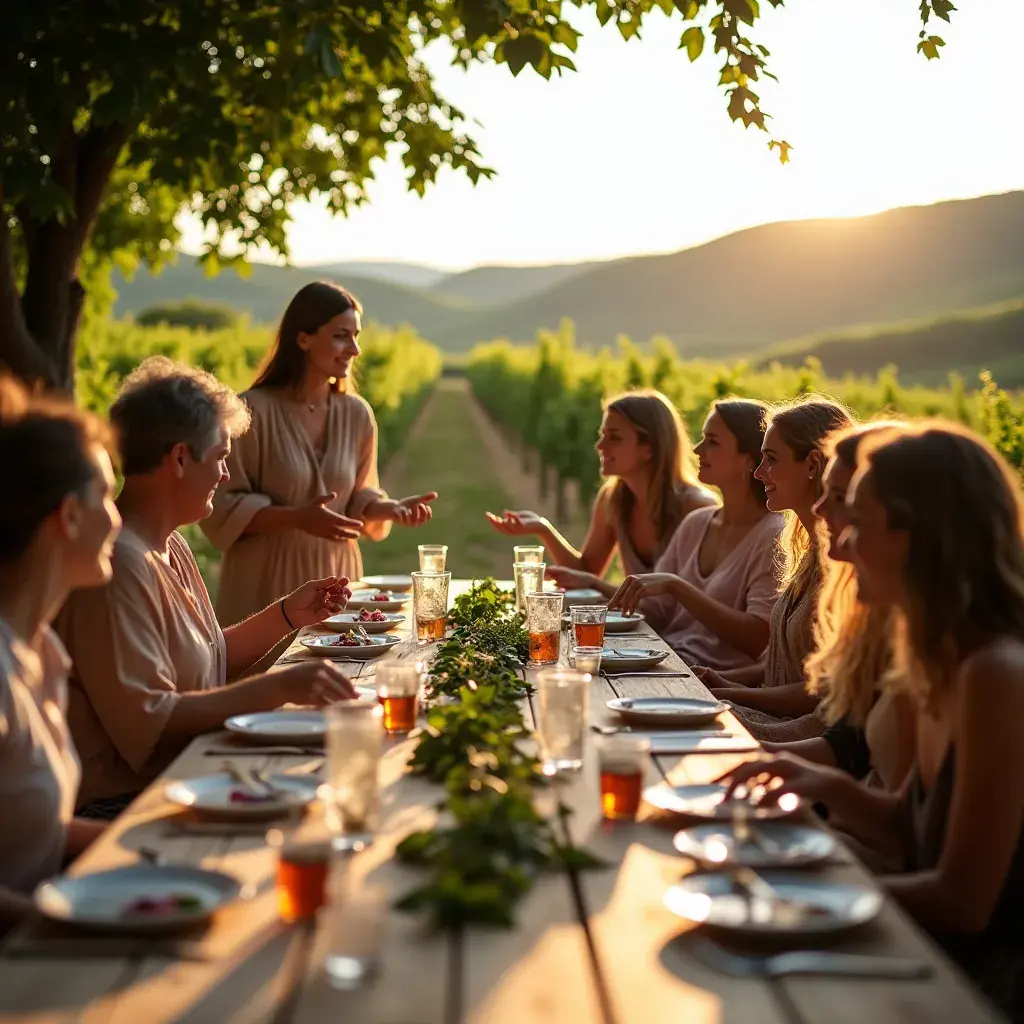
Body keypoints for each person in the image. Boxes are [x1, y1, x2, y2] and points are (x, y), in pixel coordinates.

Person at [721, 423, 1024, 1019]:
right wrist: (820, 783)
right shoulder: (938, 656)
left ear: (921, 536)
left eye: (859, 523)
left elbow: (963, 902)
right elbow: (912, 830)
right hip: (916, 952)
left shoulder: (997, 673)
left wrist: (806, 895)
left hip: (969, 989)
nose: (839, 548)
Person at [56, 358, 358, 818]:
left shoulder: (169, 544)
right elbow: (151, 723)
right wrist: (279, 687)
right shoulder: (118, 564)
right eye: (220, 456)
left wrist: (287, 615)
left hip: (190, 775)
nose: (224, 474)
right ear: (179, 458)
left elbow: (209, 657)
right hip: (130, 807)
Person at [202, 282, 437, 629]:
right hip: (266, 587)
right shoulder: (251, 412)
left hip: (337, 582)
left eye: (357, 336)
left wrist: (389, 509)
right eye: (342, 336)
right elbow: (221, 508)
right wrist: (296, 518)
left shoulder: (357, 414)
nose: (354, 349)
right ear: (303, 339)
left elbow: (356, 495)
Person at [0, 376, 120, 925]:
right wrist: (67, 926)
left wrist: (153, 837)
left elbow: (33, 827)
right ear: (69, 516)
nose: (118, 520)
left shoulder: (43, 649)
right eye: (107, 498)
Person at [765, 421, 916, 797]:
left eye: (853, 509)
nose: (820, 509)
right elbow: (902, 817)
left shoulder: (983, 670)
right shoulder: (904, 628)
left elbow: (920, 847)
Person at [700, 398, 853, 742]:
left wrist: (733, 695)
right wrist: (724, 680)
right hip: (775, 719)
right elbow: (784, 666)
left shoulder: (845, 563)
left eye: (770, 460)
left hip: (802, 735)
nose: (758, 473)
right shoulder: (804, 549)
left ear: (812, 463)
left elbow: (821, 690)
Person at [485, 390, 717, 596]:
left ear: (649, 448)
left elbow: (690, 600)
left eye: (614, 437)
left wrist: (595, 584)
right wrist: (543, 528)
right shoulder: (613, 499)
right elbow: (586, 572)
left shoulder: (698, 508)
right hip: (642, 631)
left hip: (681, 641)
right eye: (603, 434)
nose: (600, 446)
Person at [610, 399, 782, 672]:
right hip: (669, 664)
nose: (697, 449)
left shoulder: (773, 535)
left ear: (748, 459)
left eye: (712, 442)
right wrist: (585, 606)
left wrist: (677, 586)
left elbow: (756, 639)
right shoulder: (696, 523)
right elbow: (654, 610)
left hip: (712, 683)